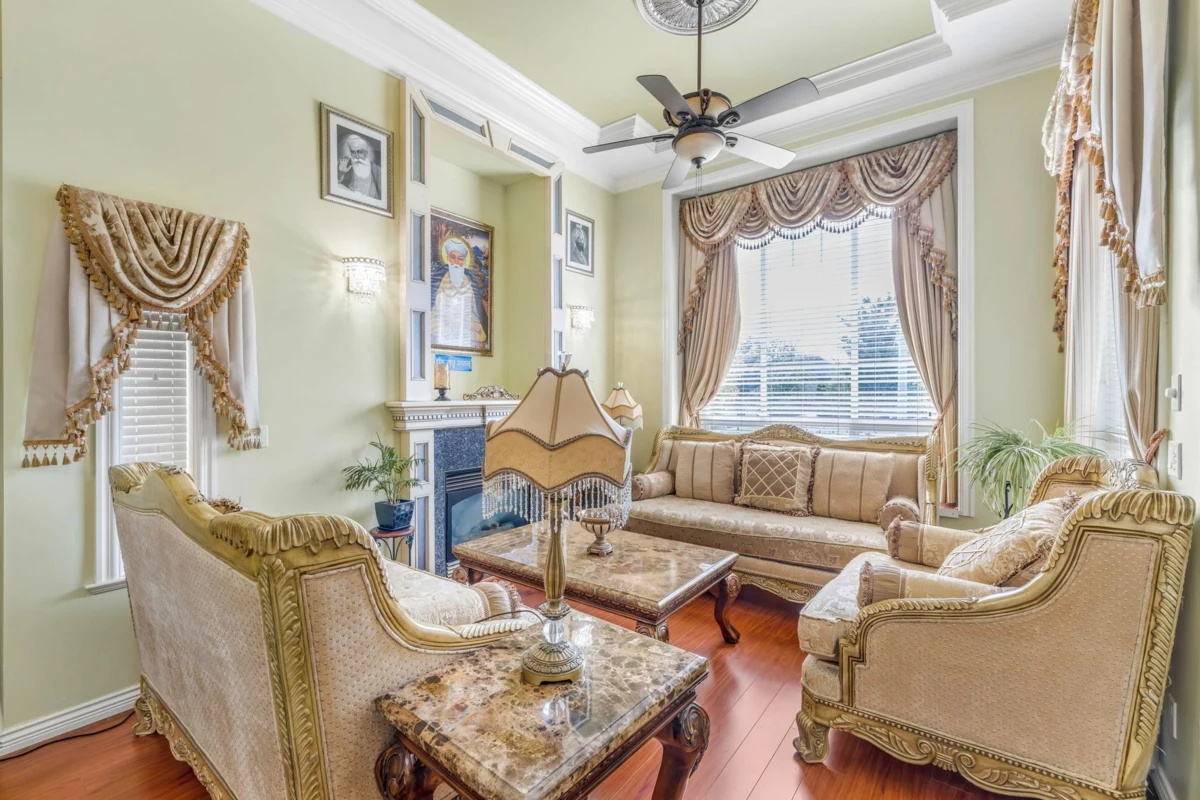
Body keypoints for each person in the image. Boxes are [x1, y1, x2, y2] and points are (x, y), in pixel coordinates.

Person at [432, 237, 488, 349]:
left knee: (480, 332)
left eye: (460, 259)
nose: (456, 262)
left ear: (464, 261)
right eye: (453, 258)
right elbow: (437, 309)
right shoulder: (440, 278)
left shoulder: (469, 280)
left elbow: (474, 310)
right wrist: (457, 321)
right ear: (448, 258)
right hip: (442, 319)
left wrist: (471, 323)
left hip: (466, 320)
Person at [337, 133, 382, 200]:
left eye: (360, 152)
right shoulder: (346, 164)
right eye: (353, 152)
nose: (356, 156)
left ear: (366, 153)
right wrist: (341, 172)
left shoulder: (377, 170)